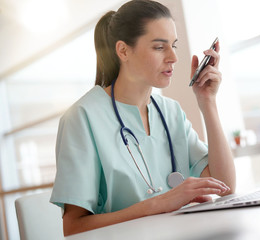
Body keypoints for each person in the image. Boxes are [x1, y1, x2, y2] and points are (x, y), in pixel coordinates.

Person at [50, 0, 236, 236]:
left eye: (174, 45)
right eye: (159, 47)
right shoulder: (82, 117)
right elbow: (73, 228)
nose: (173, 57)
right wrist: (158, 204)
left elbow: (225, 187)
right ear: (123, 51)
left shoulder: (171, 112)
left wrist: (207, 102)